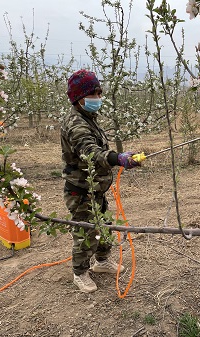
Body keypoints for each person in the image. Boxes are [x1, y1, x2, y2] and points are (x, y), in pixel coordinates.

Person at [61, 69, 140, 293]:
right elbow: (91, 152)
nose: (98, 98)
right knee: (86, 230)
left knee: (103, 224)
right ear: (79, 98)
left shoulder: (88, 118)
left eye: (99, 93)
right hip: (81, 189)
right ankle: (80, 272)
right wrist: (118, 158)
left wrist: (119, 158)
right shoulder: (75, 124)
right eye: (94, 94)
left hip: (95, 187)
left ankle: (102, 261)